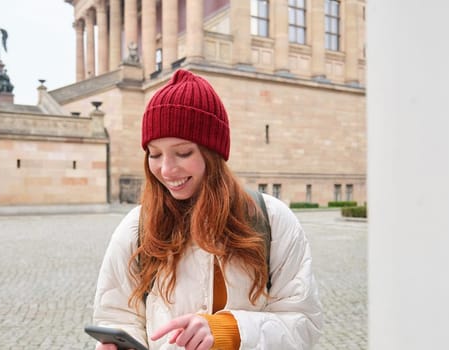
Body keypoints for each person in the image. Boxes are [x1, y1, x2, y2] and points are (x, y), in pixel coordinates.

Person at [91, 69, 323, 349]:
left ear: (213, 152)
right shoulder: (136, 226)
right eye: (154, 154)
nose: (165, 169)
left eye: (183, 152)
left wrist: (230, 330)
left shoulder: (271, 219)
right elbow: (117, 316)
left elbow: (304, 325)